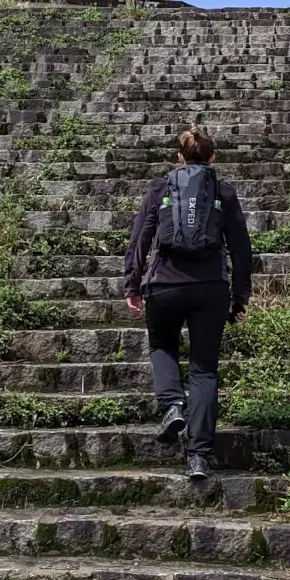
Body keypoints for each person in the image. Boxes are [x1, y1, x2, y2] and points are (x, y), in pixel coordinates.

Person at [122, 126, 253, 481]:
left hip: (163, 287)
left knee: (163, 347)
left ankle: (172, 405)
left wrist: (132, 283)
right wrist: (240, 295)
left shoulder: (160, 187)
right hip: (210, 289)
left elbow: (140, 238)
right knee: (204, 370)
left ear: (179, 157)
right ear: (212, 159)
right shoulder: (222, 191)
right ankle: (197, 458)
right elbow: (241, 249)